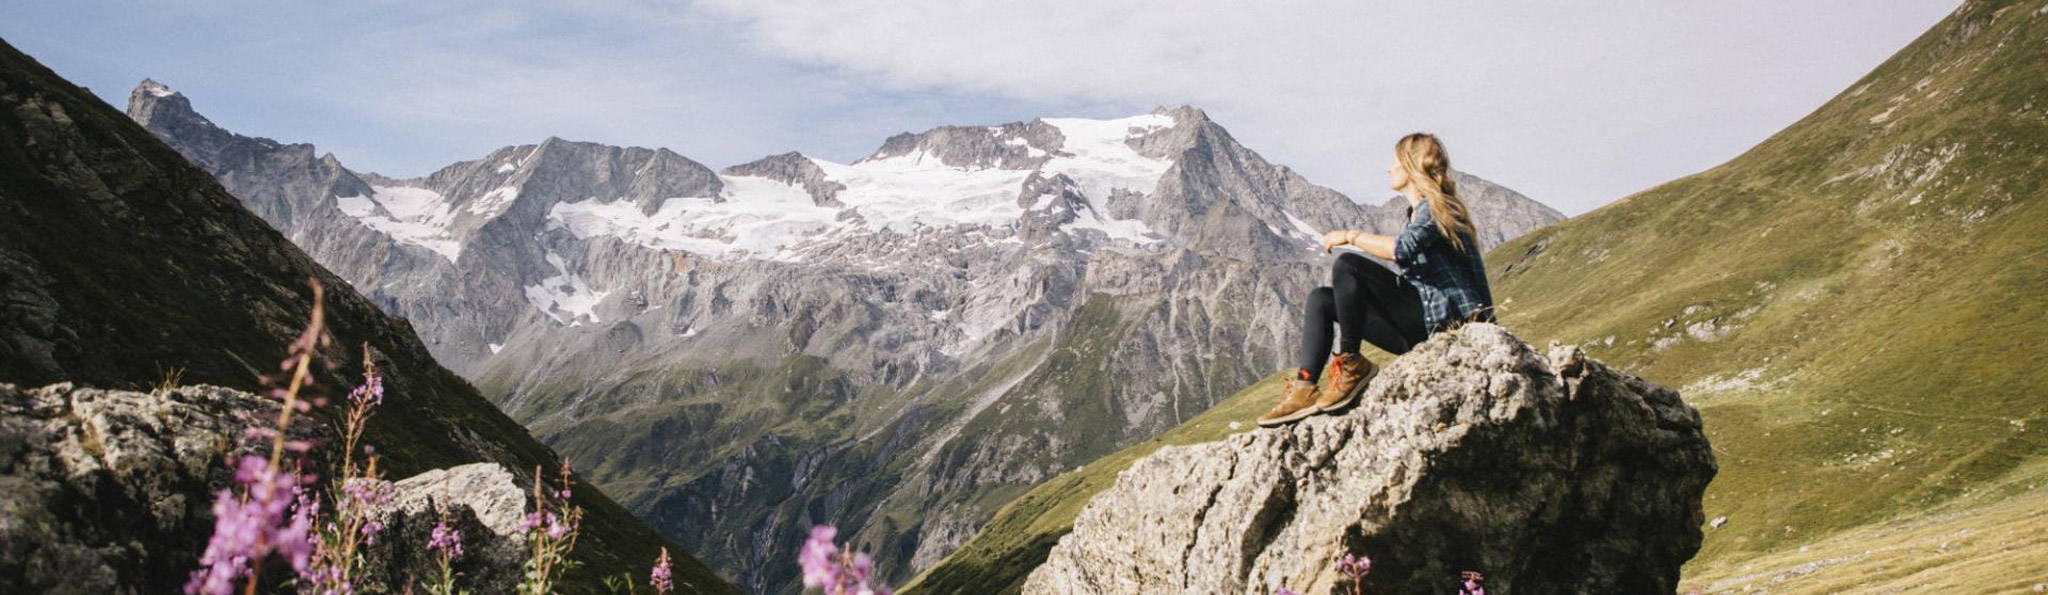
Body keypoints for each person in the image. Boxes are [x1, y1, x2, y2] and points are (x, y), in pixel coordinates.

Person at [1258, 133, 1496, 427]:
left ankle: (1351, 362)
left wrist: (1350, 237)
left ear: (1411, 166)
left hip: (1446, 324)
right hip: (1419, 327)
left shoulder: (1438, 207)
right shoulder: (1418, 213)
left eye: (1394, 162)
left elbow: (1401, 249)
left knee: (1348, 265)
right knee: (1321, 299)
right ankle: (1305, 386)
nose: (1389, 169)